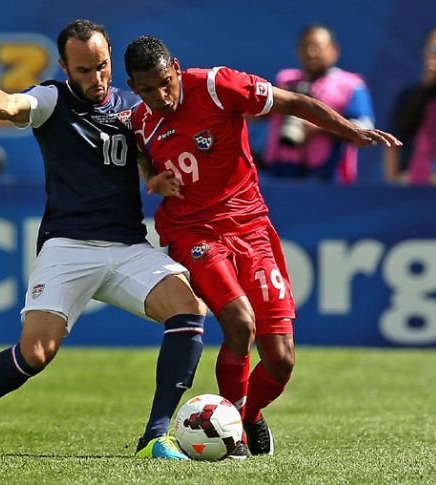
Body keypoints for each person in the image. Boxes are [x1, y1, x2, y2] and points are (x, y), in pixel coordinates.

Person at [0, 20, 208, 460]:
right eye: (84, 70)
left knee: (188, 310)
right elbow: (10, 105)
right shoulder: (52, 99)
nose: (96, 78)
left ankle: (156, 436)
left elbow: (141, 154)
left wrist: (154, 176)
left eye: (102, 67)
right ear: (65, 66)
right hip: (69, 246)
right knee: (35, 353)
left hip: (128, 246)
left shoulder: (133, 105)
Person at [124, 35, 400, 456]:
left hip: (251, 227)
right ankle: (231, 434)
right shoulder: (139, 121)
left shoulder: (218, 86)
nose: (160, 96)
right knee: (239, 322)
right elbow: (139, 155)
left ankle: (248, 416)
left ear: (176, 68)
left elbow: (291, 103)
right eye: (147, 89)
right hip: (192, 232)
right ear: (134, 85)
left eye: (165, 83)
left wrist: (349, 132)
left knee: (281, 358)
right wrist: (150, 177)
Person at [259, 25, 376, 184]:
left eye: (317, 47)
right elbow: (257, 114)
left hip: (329, 179)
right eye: (305, 46)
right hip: (280, 177)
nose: (311, 52)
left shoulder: (352, 85)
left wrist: (319, 127)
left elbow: (365, 130)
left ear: (334, 49)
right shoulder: (284, 81)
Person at [383, 30, 436, 185]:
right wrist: (424, 89)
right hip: (416, 180)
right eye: (435, 49)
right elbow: (398, 134)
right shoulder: (410, 95)